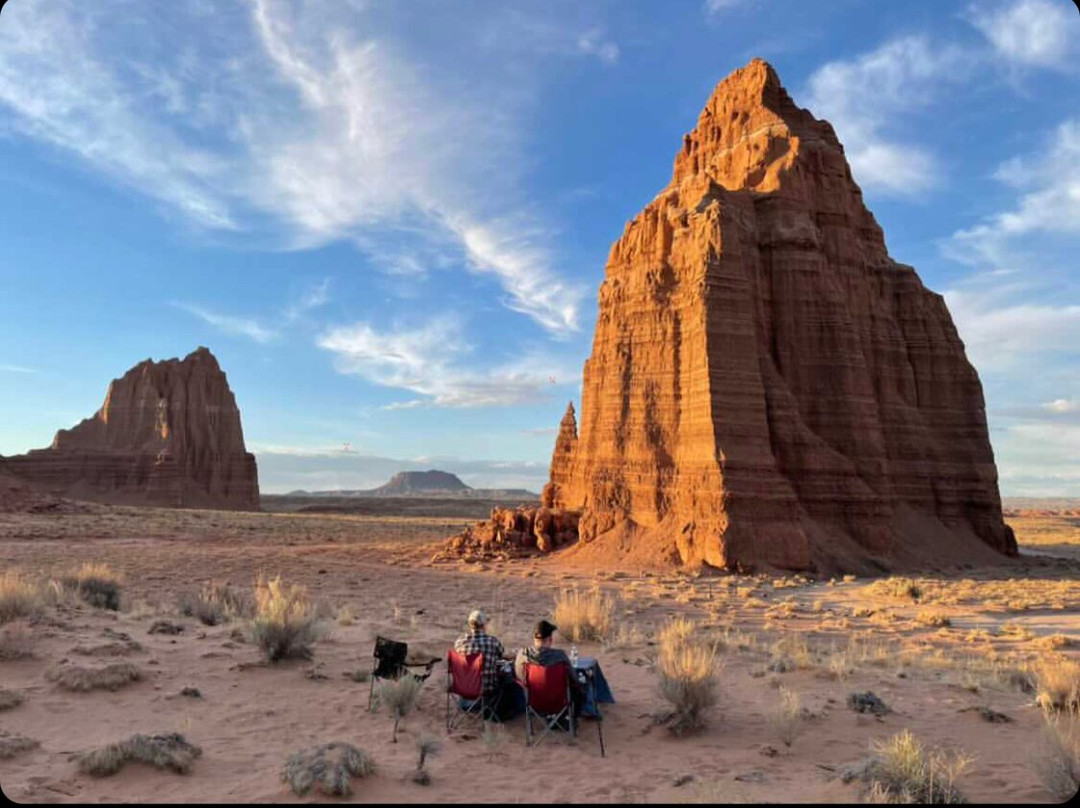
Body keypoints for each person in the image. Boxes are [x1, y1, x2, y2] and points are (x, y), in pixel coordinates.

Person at [515, 619, 585, 717]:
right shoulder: (560, 656)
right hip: (559, 702)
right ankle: (569, 720)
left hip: (534, 702)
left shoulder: (523, 654)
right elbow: (573, 679)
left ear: (534, 639)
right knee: (580, 689)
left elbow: (519, 676)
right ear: (550, 640)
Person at [453, 609, 515, 718]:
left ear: (470, 625)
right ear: (484, 625)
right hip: (486, 690)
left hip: (463, 689)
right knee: (509, 672)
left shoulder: (459, 643)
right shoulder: (492, 641)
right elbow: (501, 653)